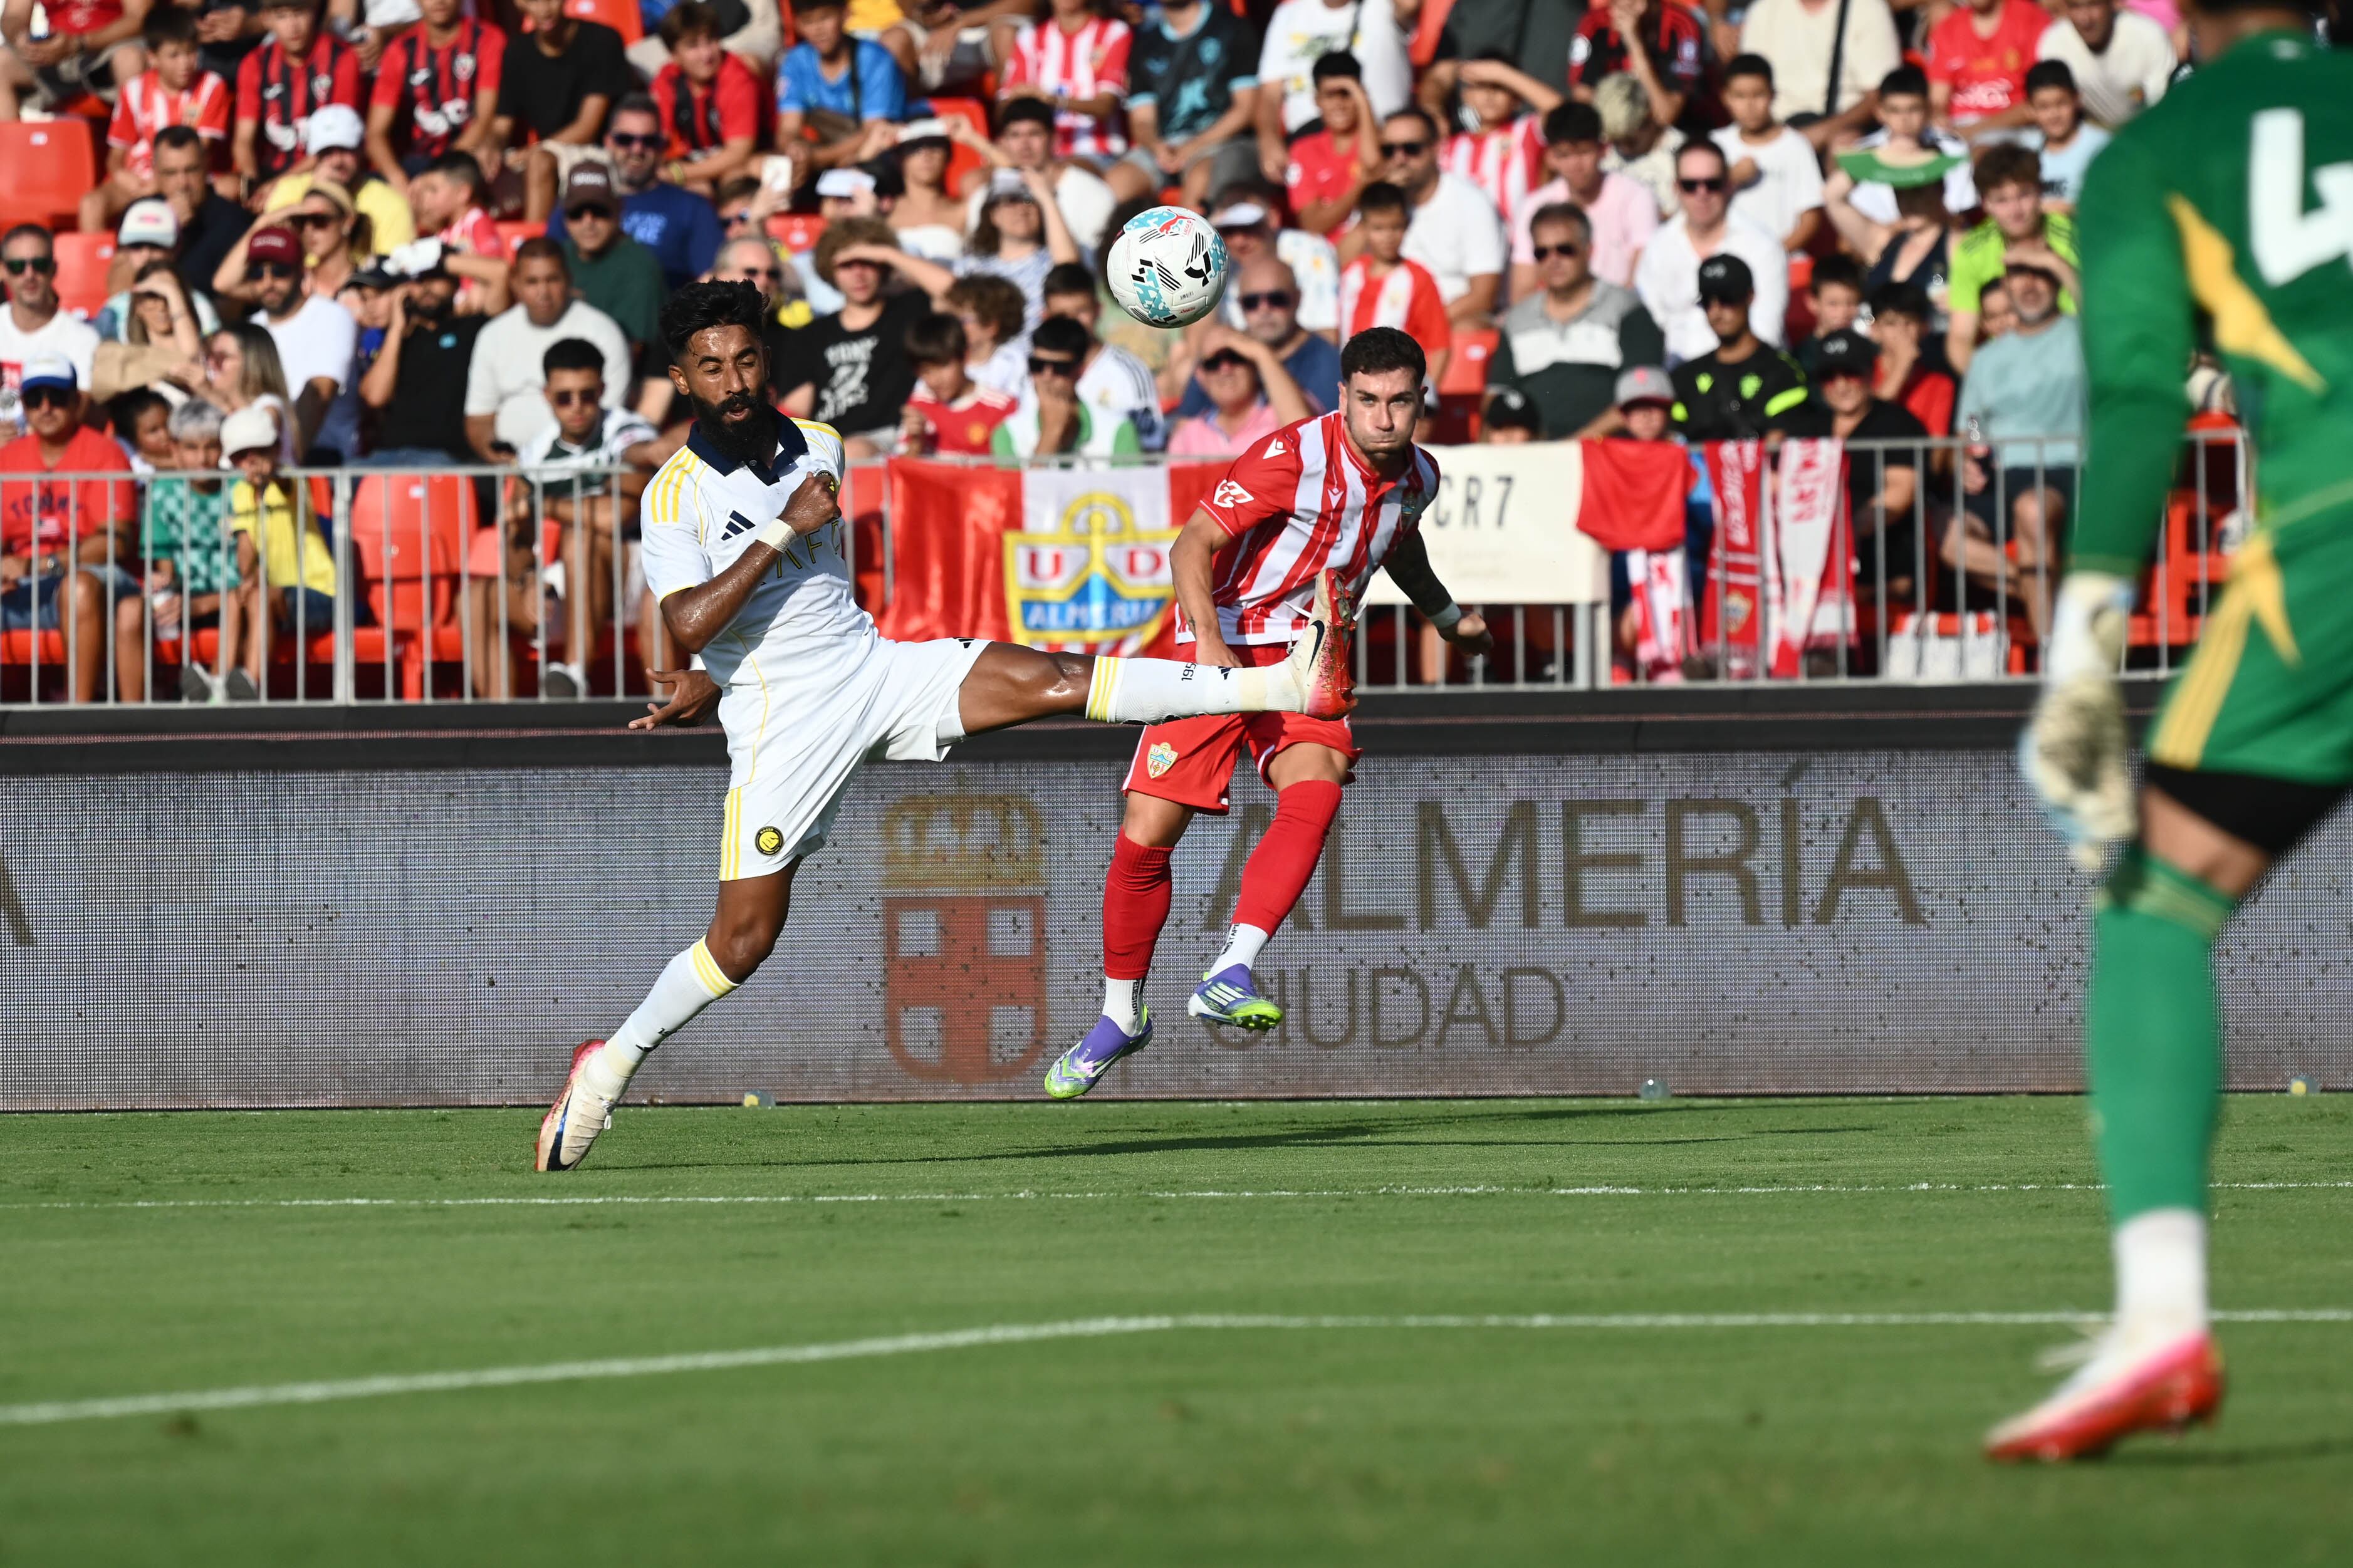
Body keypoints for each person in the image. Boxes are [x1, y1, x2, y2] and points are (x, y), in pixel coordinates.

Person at [535, 280, 1359, 1170]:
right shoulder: (671, 495)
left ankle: (1280, 679)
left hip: (872, 666)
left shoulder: (818, 445)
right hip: (787, 720)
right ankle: (607, 1064)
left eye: (743, 358)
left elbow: (791, 607)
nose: (730, 378)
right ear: (681, 378)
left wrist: (712, 667)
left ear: (765, 360)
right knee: (741, 942)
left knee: (1051, 676)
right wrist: (744, 612)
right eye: (709, 366)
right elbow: (690, 618)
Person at [2003, 0, 2353, 1463]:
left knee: (2154, 901)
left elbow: (2139, 398)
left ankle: (2161, 1323)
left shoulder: (2158, 152)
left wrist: (2081, 646)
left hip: (2333, 544)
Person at [1040, 325, 1488, 1100]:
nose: (1383, 418)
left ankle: (1231, 966)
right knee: (1145, 840)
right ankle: (1119, 1013)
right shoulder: (1292, 457)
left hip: (1306, 661)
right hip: (1222, 642)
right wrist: (1208, 644)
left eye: (1400, 402)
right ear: (1343, 397)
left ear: (1421, 402)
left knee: (1316, 785)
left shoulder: (1420, 476)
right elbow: (1192, 544)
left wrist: (1446, 617)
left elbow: (1396, 545)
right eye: (1368, 401)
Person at [474, 337, 663, 701]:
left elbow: (617, 515)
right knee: (475, 598)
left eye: (587, 395)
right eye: (564, 397)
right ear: (547, 395)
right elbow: (516, 535)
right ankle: (502, 733)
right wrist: (529, 578)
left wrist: (541, 505)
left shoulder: (626, 431)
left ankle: (575, 674)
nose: (577, 407)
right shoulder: (536, 453)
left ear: (603, 391)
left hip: (638, 573)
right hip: (571, 576)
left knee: (581, 535)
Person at [0, 353, 143, 704]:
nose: (46, 408)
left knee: (77, 587)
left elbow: (116, 542)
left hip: (98, 578)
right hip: (24, 582)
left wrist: (41, 564)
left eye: (57, 397)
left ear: (77, 400)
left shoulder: (107, 454)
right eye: (35, 399)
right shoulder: (8, 458)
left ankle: (79, 713)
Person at [1953, 256, 2083, 632]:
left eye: (2040, 275)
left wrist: (2057, 263)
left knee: (2032, 508)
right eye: (2018, 277)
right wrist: (1969, 456)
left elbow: (2112, 318)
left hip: (2065, 469)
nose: (2028, 285)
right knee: (1940, 532)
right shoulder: (1987, 358)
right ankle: (2044, 587)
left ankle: (2048, 653)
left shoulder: (2083, 335)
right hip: (2000, 473)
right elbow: (1974, 423)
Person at [1780, 327, 1931, 603]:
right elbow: (1778, 483)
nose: (1841, 385)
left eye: (1850, 373)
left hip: (1881, 556)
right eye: (1829, 377)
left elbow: (1900, 492)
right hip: (1809, 560)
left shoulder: (1898, 423)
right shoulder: (1806, 427)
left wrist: (1846, 533)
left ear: (1871, 373)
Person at [1490, 201, 1665, 439]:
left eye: (1565, 250)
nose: (1553, 260)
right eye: (1542, 253)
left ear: (1589, 250)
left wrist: (1574, 446)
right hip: (1535, 456)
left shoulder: (1627, 309)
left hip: (1607, 453)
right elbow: (1496, 398)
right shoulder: (1516, 320)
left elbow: (1641, 399)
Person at [842, 167, 1084, 336]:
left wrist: (1045, 196)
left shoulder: (1052, 258)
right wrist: (873, 225)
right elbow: (937, 286)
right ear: (993, 214)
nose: (1021, 209)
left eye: (1029, 201)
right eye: (1010, 200)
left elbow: (1069, 270)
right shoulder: (971, 266)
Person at [465, 239, 634, 462]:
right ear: (515, 283)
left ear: (569, 279)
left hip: (585, 467)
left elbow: (609, 415)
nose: (543, 292)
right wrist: (500, 457)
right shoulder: (492, 335)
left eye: (552, 280)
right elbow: (479, 419)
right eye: (532, 282)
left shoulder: (603, 332)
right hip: (507, 470)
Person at [773, 217, 929, 455]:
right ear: (830, 269)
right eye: (846, 265)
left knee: (853, 451)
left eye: (867, 262)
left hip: (891, 439)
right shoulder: (811, 335)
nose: (858, 275)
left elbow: (957, 296)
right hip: (826, 445)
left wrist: (889, 254)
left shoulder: (909, 311)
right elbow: (796, 409)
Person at [546, 98, 728, 291]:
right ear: (609, 142)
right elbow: (548, 271)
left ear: (662, 145)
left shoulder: (692, 208)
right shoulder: (580, 204)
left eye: (649, 141)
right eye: (625, 140)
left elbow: (712, 282)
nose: (637, 149)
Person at [217, 400, 335, 698]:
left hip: (319, 592)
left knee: (261, 594)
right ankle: (220, 683)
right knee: (235, 597)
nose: (250, 461)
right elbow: (247, 555)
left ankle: (250, 684)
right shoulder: (241, 491)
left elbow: (283, 484)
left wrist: (272, 476)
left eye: (257, 451)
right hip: (275, 594)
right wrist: (248, 577)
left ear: (274, 449)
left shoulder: (293, 480)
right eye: (241, 455)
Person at [1635, 140, 1788, 363]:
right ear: (1676, 188)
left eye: (1712, 184)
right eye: (1690, 185)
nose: (1702, 193)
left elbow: (1767, 330)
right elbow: (1649, 325)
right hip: (1676, 374)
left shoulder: (1762, 245)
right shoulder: (1658, 246)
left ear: (1728, 185)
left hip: (1748, 371)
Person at [85, 8, 230, 234]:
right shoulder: (134, 90)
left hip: (186, 176)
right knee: (91, 205)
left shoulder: (211, 86)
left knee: (232, 189)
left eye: (191, 53)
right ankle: (97, 267)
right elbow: (115, 158)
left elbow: (202, 149)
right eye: (174, 55)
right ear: (152, 58)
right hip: (140, 178)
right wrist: (129, 181)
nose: (185, 63)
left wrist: (160, 183)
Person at [1947, 143, 2080, 373]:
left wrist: (2056, 264)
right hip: (2006, 372)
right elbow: (1960, 339)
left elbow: (2098, 319)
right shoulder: (1971, 251)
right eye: (2001, 200)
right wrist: (1989, 389)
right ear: (1985, 204)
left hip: (2071, 364)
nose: (2015, 210)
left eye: (2024, 195)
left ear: (2040, 192)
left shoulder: (2074, 239)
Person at [499, 0, 634, 223]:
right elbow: (501, 124)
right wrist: (490, 152)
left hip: (599, 151)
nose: (544, 9)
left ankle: (536, 251)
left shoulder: (602, 40)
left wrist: (529, 153)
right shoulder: (517, 50)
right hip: (545, 153)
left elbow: (587, 128)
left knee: (539, 162)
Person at [228, 224, 356, 459]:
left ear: (301, 271)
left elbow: (318, 394)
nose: (268, 283)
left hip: (320, 455)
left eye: (279, 271)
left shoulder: (330, 315)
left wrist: (289, 464)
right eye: (257, 273)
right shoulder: (252, 328)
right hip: (260, 459)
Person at [1120, 0, 1260, 210]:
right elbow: (1142, 120)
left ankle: (1188, 243)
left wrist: (1194, 146)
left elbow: (1245, 108)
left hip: (1222, 142)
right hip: (1164, 147)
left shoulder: (1232, 28)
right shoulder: (1144, 43)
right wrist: (1156, 146)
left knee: (1200, 179)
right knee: (1118, 182)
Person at [1171, 255, 1342, 423]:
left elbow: (1309, 439)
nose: (1264, 309)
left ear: (1297, 299)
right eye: (1251, 302)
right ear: (1240, 305)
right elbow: (1182, 437)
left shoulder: (1327, 361)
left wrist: (1262, 355)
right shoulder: (1222, 354)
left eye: (1277, 299)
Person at [1511, 101, 1656, 296]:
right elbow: (1522, 290)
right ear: (1550, 158)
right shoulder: (1535, 205)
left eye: (1584, 152)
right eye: (1564, 155)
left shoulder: (1636, 196)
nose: (1575, 165)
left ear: (1603, 150)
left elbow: (1643, 279)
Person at [145, 397, 238, 701]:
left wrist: (202, 604)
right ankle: (142, 703)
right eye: (191, 448)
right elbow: (166, 569)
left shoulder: (241, 489)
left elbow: (254, 571)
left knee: (247, 603)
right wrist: (161, 586)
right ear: (173, 449)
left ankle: (215, 686)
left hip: (236, 596)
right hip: (187, 596)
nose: (203, 458)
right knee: (135, 610)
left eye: (211, 446)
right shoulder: (160, 493)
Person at [1377, 108, 1505, 327]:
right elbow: (1346, 262)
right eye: (1389, 151)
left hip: (1449, 322)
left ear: (1436, 148)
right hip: (1392, 321)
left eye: (1412, 149)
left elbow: (1483, 296)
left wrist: (1419, 329)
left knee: (1470, 327)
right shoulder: (1382, 200)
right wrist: (1376, 204)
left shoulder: (1471, 202)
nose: (1399, 159)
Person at [357, 251, 482, 467]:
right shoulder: (395, 340)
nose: (426, 288)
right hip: (388, 456)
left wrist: (436, 257)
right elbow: (375, 397)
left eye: (436, 277)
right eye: (419, 279)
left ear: (455, 282)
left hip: (444, 457)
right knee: (338, 481)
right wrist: (397, 327)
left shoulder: (471, 329)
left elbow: (501, 274)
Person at [1823, 145, 1967, 333]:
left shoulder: (1958, 244)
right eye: (1900, 192)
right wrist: (1885, 159)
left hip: (1931, 354)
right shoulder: (1883, 242)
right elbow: (1833, 195)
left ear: (1940, 189)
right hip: (1878, 356)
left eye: (1917, 190)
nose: (1909, 201)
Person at [1668, 254, 1809, 443]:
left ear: (1750, 296)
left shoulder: (1782, 371)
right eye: (1708, 302)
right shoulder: (1684, 377)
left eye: (1727, 300)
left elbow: (1779, 446)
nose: (1716, 312)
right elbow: (1672, 445)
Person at [365, 0, 503, 189]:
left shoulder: (488, 39)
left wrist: (437, 175)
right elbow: (375, 134)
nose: (439, 1)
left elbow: (484, 120)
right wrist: (398, 179)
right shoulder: (400, 50)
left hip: (466, 157)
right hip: (416, 163)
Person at [1254, 0, 1411, 162]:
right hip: (1307, 147)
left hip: (1380, 142)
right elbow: (1270, 94)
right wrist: (1269, 141)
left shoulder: (1383, 6)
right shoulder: (1288, 14)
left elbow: (1410, 5)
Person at [959, 95, 1114, 256]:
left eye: (1034, 134)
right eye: (1015, 135)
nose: (1024, 145)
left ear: (1055, 140)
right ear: (1003, 143)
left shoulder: (1092, 193)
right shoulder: (985, 198)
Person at [232, 0, 360, 190]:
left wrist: (279, 186)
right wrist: (252, 185)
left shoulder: (342, 58)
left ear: (314, 12)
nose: (293, 26)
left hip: (325, 169)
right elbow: (243, 140)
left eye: (300, 13)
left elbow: (337, 143)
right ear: (266, 19)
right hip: (270, 172)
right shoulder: (255, 64)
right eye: (282, 16)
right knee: (227, 189)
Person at [1735, 0, 1900, 148]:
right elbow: (1746, 84)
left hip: (1843, 130)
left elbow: (1879, 94)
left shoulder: (1868, 8)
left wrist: (1819, 134)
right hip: (1773, 130)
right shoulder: (1763, 10)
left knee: (1844, 147)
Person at [1037, 261, 1165, 452]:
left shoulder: (1129, 372)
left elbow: (1150, 445)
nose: (1073, 322)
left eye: (1081, 312)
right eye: (1062, 315)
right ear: (1045, 316)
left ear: (1098, 310)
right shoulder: (1035, 371)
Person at [1335, 182, 1451, 389]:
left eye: (1395, 227)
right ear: (1363, 228)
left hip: (1397, 390)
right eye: (1379, 228)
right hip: (1352, 387)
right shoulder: (1350, 274)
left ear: (1406, 225)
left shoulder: (1418, 278)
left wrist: (1425, 397)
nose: (1388, 236)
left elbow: (1439, 346)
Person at [260, 105, 416, 257]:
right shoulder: (289, 190)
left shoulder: (390, 203)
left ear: (361, 149)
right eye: (327, 152)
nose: (337, 162)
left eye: (345, 150)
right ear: (314, 157)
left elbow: (394, 270)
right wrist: (318, 191)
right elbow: (273, 252)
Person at [775, 0, 906, 177]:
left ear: (845, 15)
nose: (818, 29)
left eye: (825, 18)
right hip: (817, 157)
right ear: (797, 25)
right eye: (808, 21)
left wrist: (817, 158)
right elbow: (789, 127)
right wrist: (794, 149)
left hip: (872, 155)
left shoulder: (875, 59)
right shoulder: (795, 61)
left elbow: (874, 131)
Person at [998, 0, 1132, 171]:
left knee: (1059, 173)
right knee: (974, 181)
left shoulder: (1113, 32)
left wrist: (1052, 99)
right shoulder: (1030, 37)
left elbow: (1106, 106)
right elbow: (1003, 109)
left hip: (1098, 152)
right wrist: (1017, 98)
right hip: (1039, 156)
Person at [1439, 55, 1561, 240]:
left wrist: (1502, 73)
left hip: (1519, 249)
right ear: (1466, 96)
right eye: (1482, 86)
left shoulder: (1526, 132)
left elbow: (1563, 113)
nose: (1490, 95)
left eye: (1499, 87)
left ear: (1517, 98)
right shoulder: (1450, 147)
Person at [650, 2, 766, 197]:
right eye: (693, 46)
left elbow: (739, 153)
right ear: (674, 55)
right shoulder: (667, 79)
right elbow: (658, 138)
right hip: (701, 163)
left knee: (738, 177)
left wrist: (679, 173)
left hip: (750, 159)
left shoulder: (738, 78)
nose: (707, 54)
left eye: (711, 40)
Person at [1842, 66, 1976, 234]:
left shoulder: (1953, 150)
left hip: (1941, 236)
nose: (1904, 119)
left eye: (1913, 109)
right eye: (1895, 110)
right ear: (1880, 112)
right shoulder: (1862, 154)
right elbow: (1861, 218)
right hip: (1883, 240)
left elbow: (1958, 211)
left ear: (1928, 109)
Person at [1711, 55, 1823, 255]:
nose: (1750, 105)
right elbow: (1697, 201)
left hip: (1785, 260)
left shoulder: (1796, 146)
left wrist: (1773, 255)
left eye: (1758, 95)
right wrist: (1729, 179)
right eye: (1740, 96)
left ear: (1772, 95)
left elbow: (1811, 217)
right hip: (1725, 259)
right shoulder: (1716, 144)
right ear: (1725, 97)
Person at [991, 313, 1142, 460]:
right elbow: (1015, 487)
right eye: (1037, 366)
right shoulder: (1008, 434)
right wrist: (1050, 435)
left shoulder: (1118, 430)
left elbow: (1135, 486)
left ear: (1080, 371)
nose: (1047, 376)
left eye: (1060, 368)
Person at [554, 164, 667, 360]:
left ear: (618, 209)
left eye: (599, 211)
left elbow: (632, 351)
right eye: (577, 213)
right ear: (564, 218)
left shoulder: (640, 267)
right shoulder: (557, 257)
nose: (588, 221)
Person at [0, 226, 103, 434]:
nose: (29, 275)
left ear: (54, 269)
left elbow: (76, 416)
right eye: (18, 266)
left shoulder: (83, 339)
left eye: (39, 264)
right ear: (3, 271)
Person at [1163, 325, 1312, 459]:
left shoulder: (1282, 416)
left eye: (1235, 357)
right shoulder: (1188, 437)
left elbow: (1308, 442)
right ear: (1201, 377)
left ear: (1253, 364)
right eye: (1213, 363)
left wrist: (1261, 353)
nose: (1226, 369)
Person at [1211, 192, 1339, 340]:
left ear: (1272, 219)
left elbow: (1329, 335)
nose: (1240, 242)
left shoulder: (1311, 251)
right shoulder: (1222, 267)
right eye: (1229, 232)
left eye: (1249, 229)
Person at [1568, 0, 1709, 132]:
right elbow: (1583, 100)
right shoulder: (1594, 23)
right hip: (1610, 129)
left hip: (1666, 133)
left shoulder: (1682, 25)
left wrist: (1634, 42)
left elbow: (1666, 116)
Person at [0, 0, 150, 123]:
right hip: (56, 51)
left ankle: (136, 151)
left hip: (112, 46)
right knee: (2, 61)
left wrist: (81, 43)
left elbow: (139, 17)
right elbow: (13, 16)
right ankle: (8, 153)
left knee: (130, 59)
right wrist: (19, 37)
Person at [1285, 52, 1380, 242]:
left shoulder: (1379, 140)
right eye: (1330, 95)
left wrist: (1362, 101)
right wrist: (1361, 187)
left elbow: (1374, 165)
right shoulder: (1303, 150)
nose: (1339, 104)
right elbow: (1312, 224)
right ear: (1317, 100)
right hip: (1324, 256)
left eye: (1347, 94)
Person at [404, 153, 513, 316]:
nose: (425, 199)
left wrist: (470, 296)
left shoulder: (477, 221)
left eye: (433, 190)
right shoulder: (445, 230)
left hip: (474, 312)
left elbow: (491, 269)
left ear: (463, 193)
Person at [2037, 0, 2174, 128]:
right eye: (2075, 6)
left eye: (2093, 5)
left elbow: (2163, 108)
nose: (2085, 19)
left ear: (2113, 3)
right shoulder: (2053, 45)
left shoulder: (2148, 36)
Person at [900, 309, 1018, 455]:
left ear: (965, 357)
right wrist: (916, 443)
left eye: (943, 366)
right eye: (926, 371)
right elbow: (901, 472)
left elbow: (1012, 470)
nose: (935, 380)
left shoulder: (1000, 407)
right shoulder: (919, 404)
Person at [1927, 0, 2048, 138]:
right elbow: (1937, 100)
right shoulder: (1947, 28)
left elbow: (2041, 101)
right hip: (1958, 126)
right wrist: (1939, 118)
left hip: (2017, 129)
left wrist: (1974, 131)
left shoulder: (2032, 20)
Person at [155, 125, 251, 298]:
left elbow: (231, 300)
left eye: (191, 170)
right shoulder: (140, 213)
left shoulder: (234, 221)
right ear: (156, 173)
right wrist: (167, 231)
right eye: (171, 173)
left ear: (207, 165)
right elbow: (119, 285)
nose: (183, 183)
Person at [94, 258, 209, 402]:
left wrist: (172, 293)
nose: (162, 306)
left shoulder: (210, 355)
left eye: (169, 295)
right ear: (137, 306)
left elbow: (189, 357)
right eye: (152, 295)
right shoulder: (126, 359)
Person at [1867, 283, 1956, 437]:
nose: (1901, 332)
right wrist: (1902, 366)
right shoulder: (1861, 374)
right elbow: (1864, 427)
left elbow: (1937, 452)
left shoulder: (1940, 384)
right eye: (1891, 324)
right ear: (1874, 330)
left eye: (1909, 323)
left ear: (1924, 328)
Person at [2027, 60, 2110, 210]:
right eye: (2043, 107)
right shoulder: (2027, 151)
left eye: (2061, 104)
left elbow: (2112, 201)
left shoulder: (2101, 146)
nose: (2054, 115)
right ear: (2031, 109)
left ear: (2077, 100)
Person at [886, 118, 968, 260]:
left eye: (936, 147)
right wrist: (870, 149)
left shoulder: (964, 210)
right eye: (914, 148)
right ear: (900, 159)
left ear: (949, 157)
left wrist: (971, 137)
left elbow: (1011, 177)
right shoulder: (884, 211)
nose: (926, 155)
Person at [943, 272, 1028, 395]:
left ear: (991, 326)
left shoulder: (1014, 363)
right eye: (951, 318)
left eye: (963, 320)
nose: (953, 326)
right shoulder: (942, 360)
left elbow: (1019, 410)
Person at [1789, 252, 1862, 378]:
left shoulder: (1866, 351)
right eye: (1833, 304)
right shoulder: (1801, 358)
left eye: (1851, 303)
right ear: (1812, 302)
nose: (1843, 313)